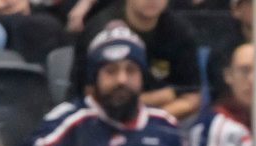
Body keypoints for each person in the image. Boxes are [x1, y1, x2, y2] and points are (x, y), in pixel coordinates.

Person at [19, 24, 188, 146]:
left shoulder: (165, 125)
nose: (122, 80)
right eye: (111, 71)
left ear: (142, 77)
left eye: (131, 70)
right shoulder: (71, 121)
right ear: (94, 78)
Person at [70, 0, 201, 119]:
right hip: (99, 119)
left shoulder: (180, 32)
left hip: (162, 117)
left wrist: (150, 121)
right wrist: (159, 97)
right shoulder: (99, 31)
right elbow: (90, 96)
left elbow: (192, 98)